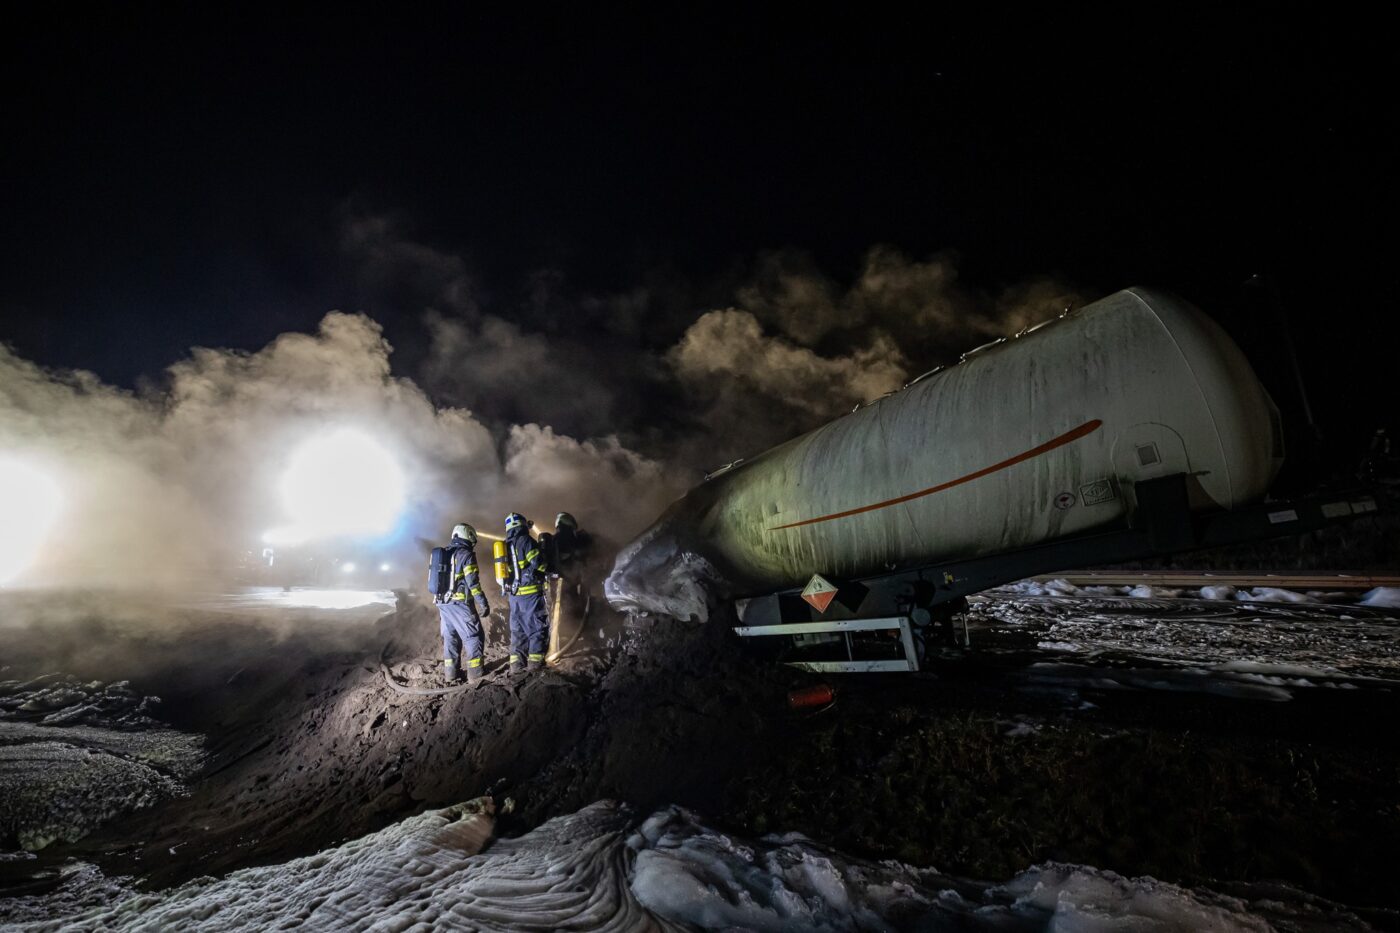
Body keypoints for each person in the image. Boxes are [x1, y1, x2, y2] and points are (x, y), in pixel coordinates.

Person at [436, 523, 491, 682]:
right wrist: (483, 603)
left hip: (443, 604)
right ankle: (475, 674)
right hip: (460, 605)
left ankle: (451, 675)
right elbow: (473, 583)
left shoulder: (445, 553)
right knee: (473, 636)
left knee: (451, 638)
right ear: (468, 535)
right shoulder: (465, 554)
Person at [503, 512, 549, 672]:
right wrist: (548, 568)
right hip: (530, 595)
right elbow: (538, 563)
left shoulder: (504, 545)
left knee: (518, 631)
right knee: (536, 627)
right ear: (522, 525)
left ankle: (516, 665)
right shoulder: (526, 541)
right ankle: (535, 664)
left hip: (513, 596)